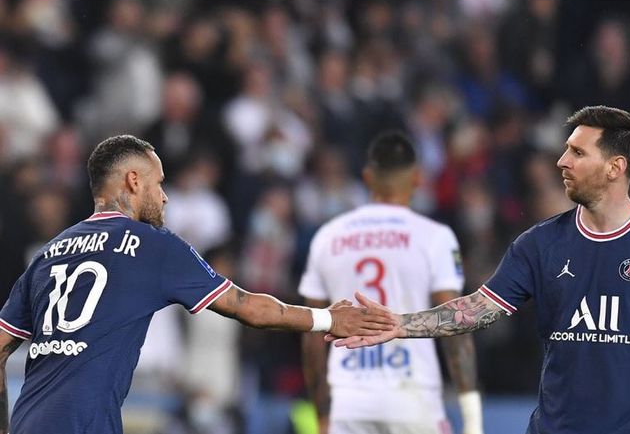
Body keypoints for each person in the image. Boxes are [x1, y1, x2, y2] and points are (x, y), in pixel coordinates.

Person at [331, 106, 630, 434]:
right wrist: (400, 324)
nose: (562, 161)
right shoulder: (540, 244)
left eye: (577, 152)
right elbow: (478, 309)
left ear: (615, 167)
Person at [0, 135, 395, 434]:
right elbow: (249, 308)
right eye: (159, 183)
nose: (165, 196)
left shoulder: (48, 253)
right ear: (134, 181)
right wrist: (328, 319)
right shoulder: (152, 245)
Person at [299, 131, 483, 434]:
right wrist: (473, 419)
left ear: (367, 177)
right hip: (413, 398)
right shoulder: (434, 237)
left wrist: (322, 415)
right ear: (417, 178)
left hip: (349, 401)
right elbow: (456, 322)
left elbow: (311, 334)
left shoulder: (328, 236)